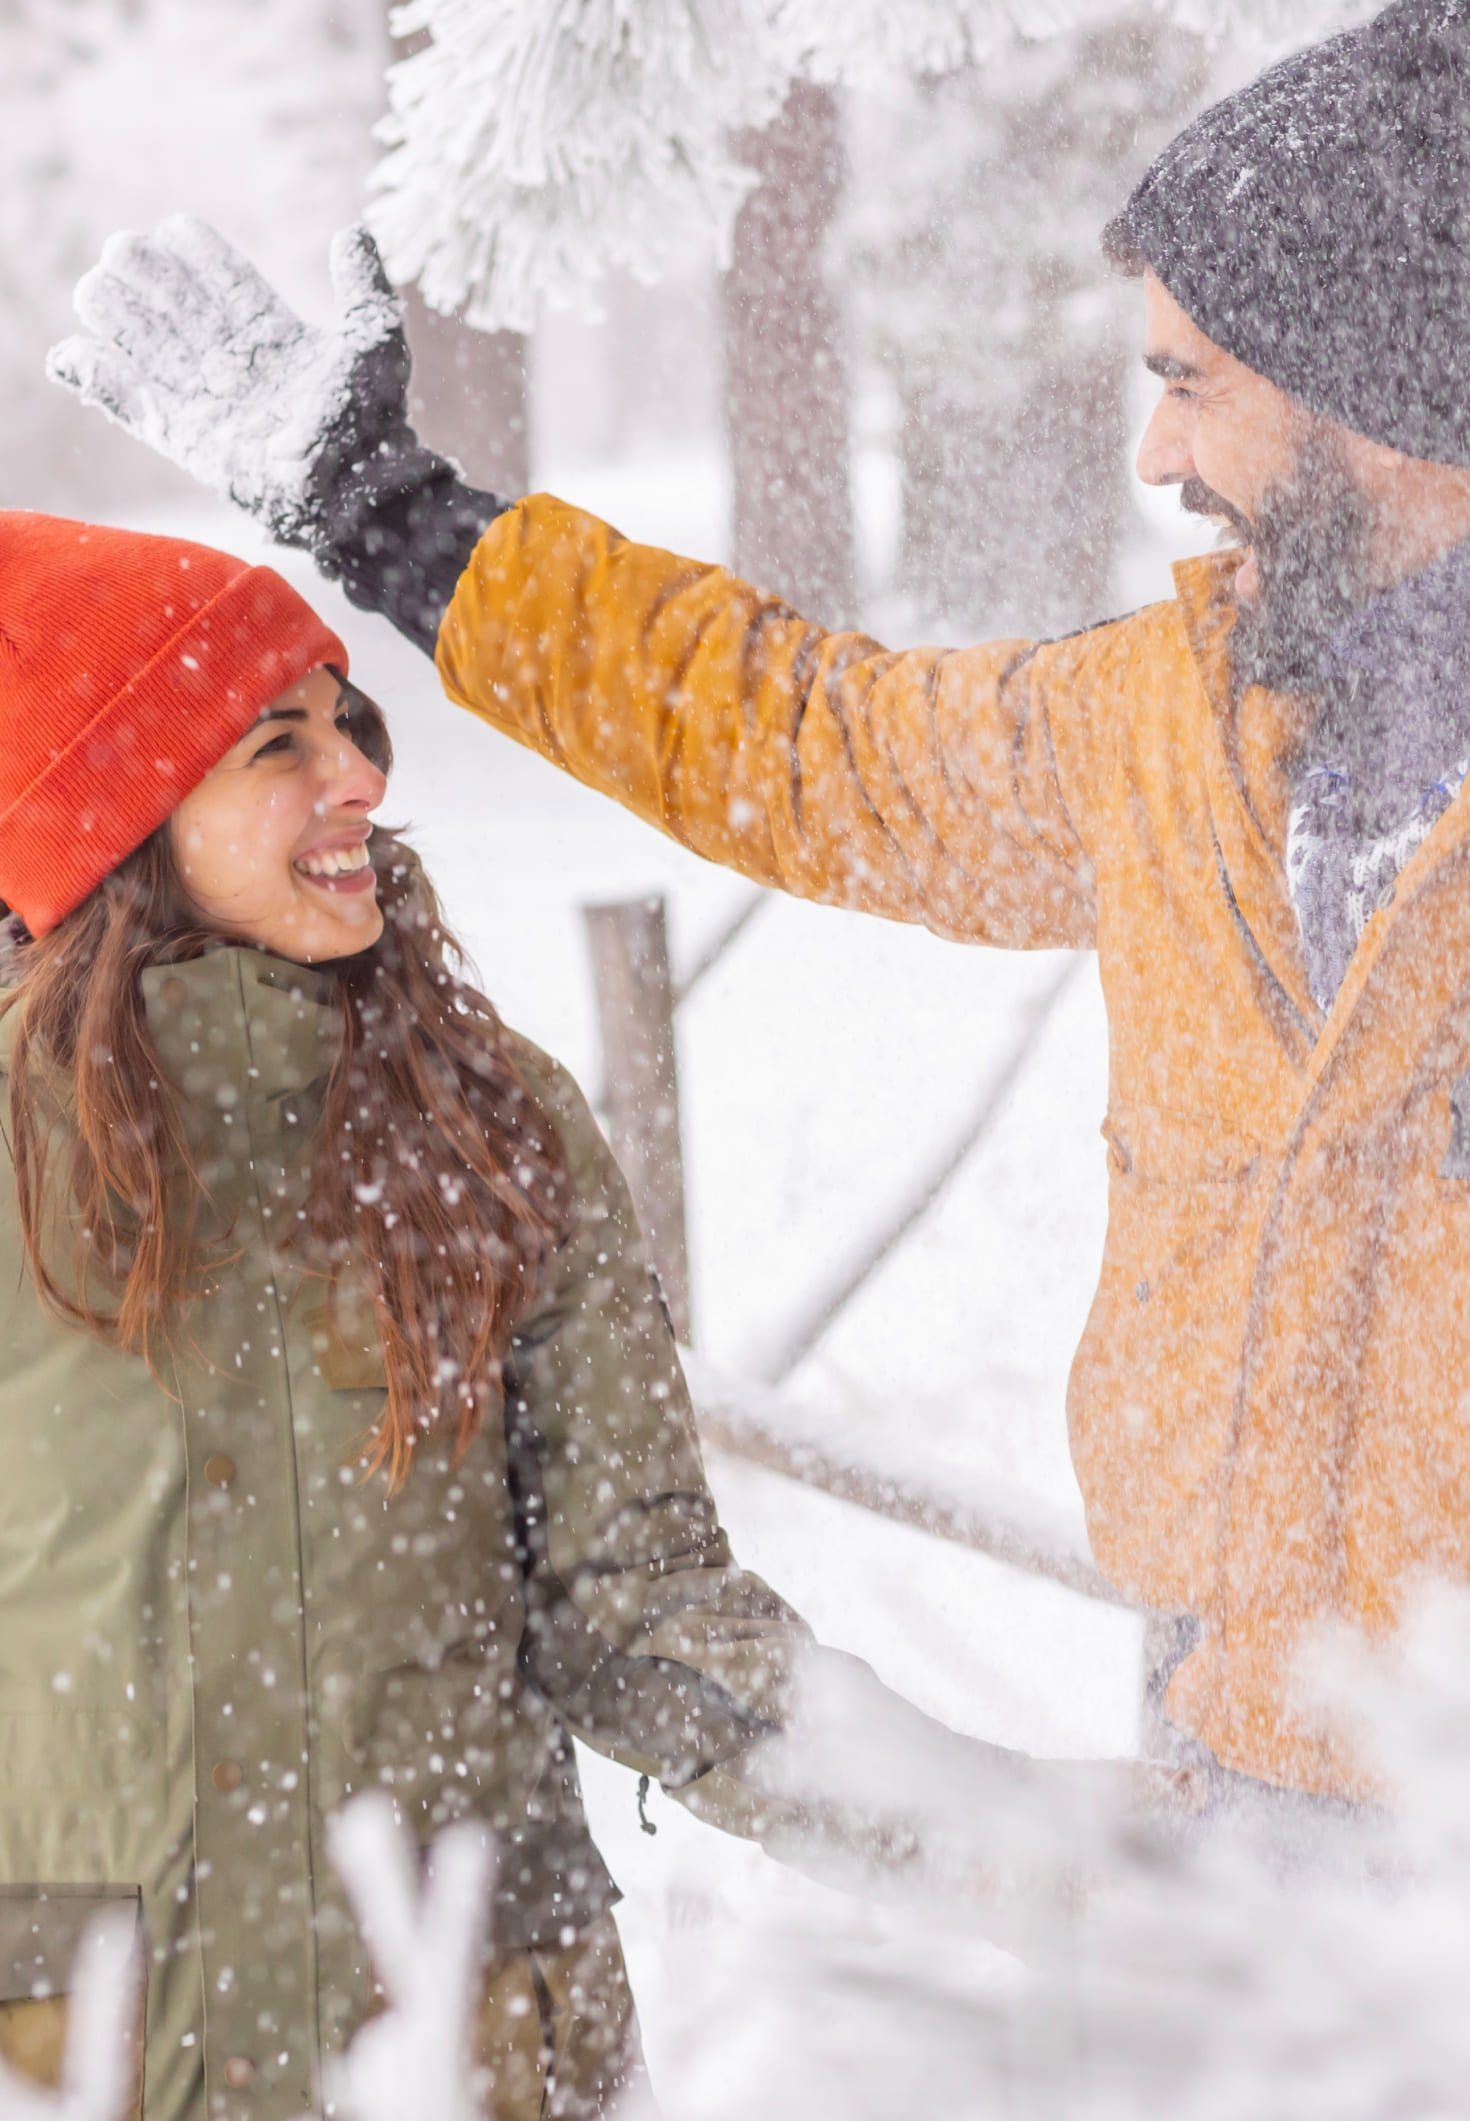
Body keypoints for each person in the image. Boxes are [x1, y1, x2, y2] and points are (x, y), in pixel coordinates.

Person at [45, 0, 1465, 1816]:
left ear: (1386, 391)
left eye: (1192, 384)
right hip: (1231, 1748)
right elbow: (794, 736)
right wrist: (394, 520)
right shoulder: (1164, 731)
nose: (1153, 465)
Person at [0, 514, 1080, 2121]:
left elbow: (638, 1614)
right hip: (87, 2045)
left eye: (347, 722)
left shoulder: (490, 1126)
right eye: (272, 743)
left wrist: (1011, 1846)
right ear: (125, 820)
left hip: (483, 2036)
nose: (358, 775)